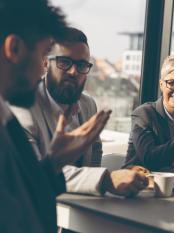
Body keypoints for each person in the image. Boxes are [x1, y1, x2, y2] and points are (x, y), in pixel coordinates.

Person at [0, 1, 111, 232]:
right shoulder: (15, 117)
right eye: (43, 54)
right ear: (15, 49)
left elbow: (25, 202)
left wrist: (53, 163)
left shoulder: (6, 117)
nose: (42, 68)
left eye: (81, 66)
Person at [12, 27, 148, 197]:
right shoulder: (24, 107)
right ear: (46, 62)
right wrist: (105, 179)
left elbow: (95, 149)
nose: (73, 72)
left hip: (83, 208)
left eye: (82, 65)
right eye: (64, 62)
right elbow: (34, 170)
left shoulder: (88, 104)